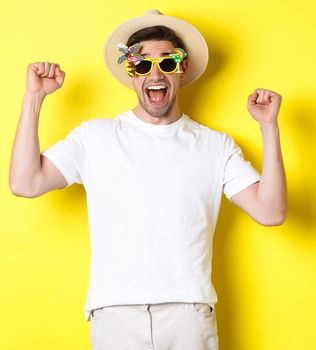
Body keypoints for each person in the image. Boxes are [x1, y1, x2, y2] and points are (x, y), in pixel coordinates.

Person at [8, 9, 287, 350]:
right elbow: (25, 183)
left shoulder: (215, 146)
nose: (155, 72)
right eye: (142, 64)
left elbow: (271, 212)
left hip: (188, 314)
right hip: (115, 316)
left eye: (167, 63)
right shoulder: (95, 138)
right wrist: (33, 97)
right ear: (131, 73)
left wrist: (269, 127)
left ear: (181, 70)